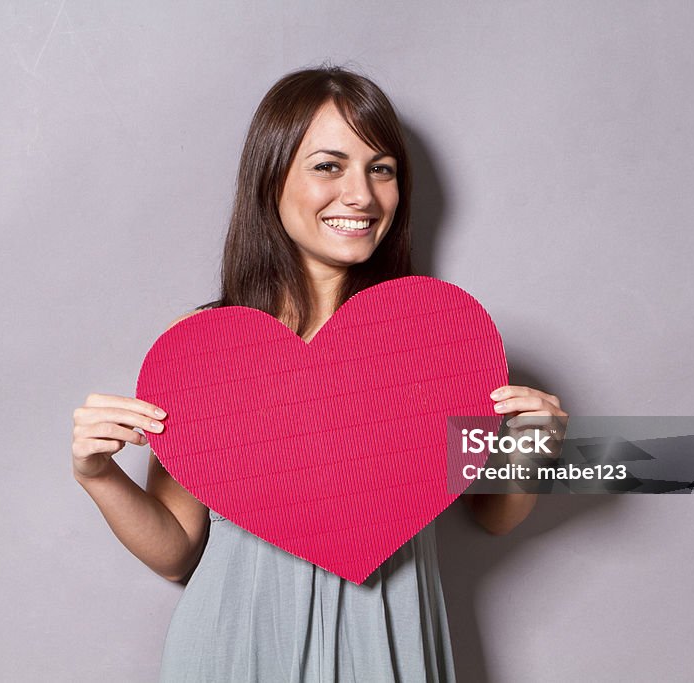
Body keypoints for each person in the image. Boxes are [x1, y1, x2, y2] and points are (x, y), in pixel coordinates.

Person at [71, 66, 567, 682]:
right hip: (235, 652)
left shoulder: (438, 345)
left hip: (391, 647)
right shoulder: (204, 347)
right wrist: (96, 474)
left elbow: (491, 517)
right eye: (329, 166)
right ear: (271, 178)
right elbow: (176, 552)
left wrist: (538, 445)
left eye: (380, 168)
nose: (360, 194)